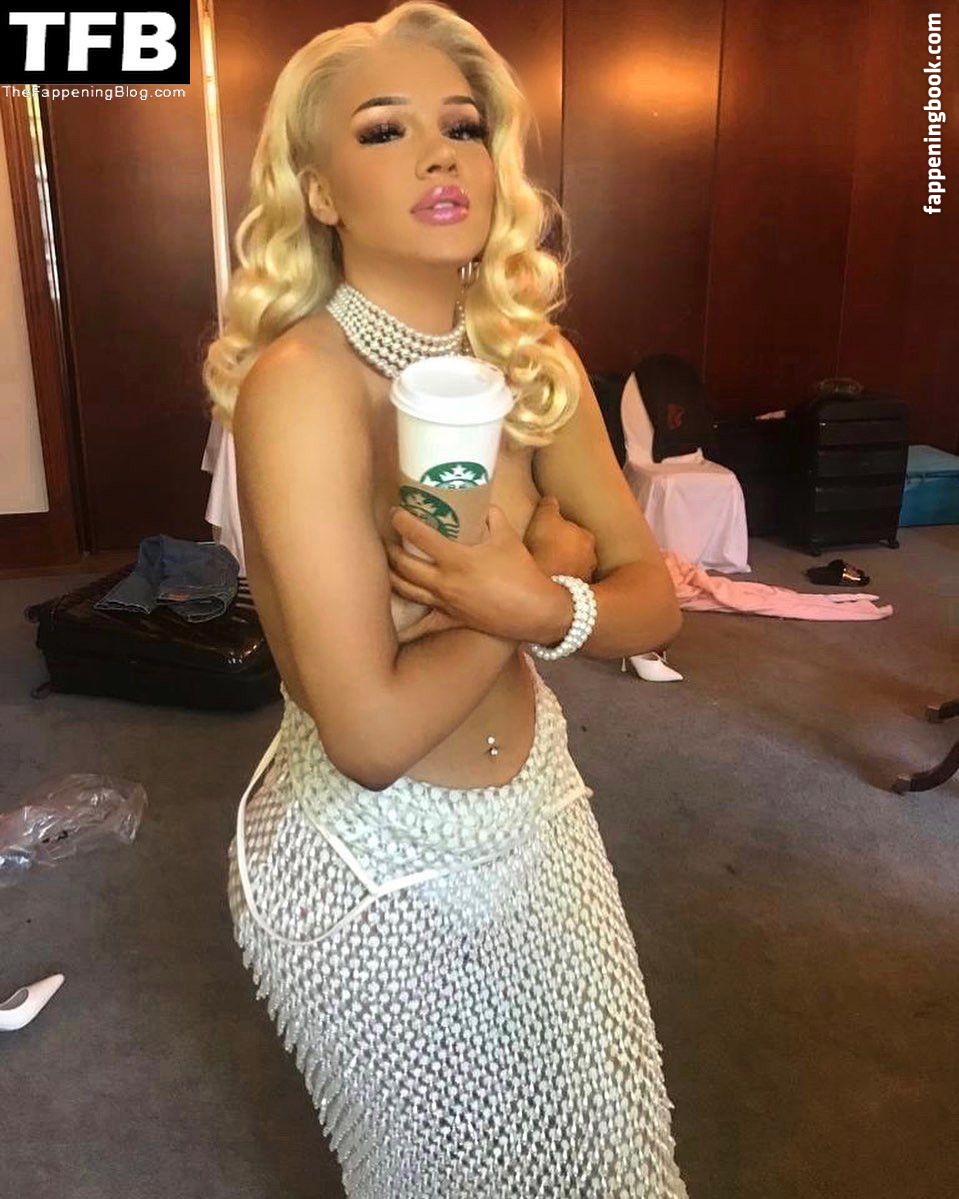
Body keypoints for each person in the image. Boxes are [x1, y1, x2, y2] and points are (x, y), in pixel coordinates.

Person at [202, 2, 689, 1194]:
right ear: (320, 192)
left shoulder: (533, 360)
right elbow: (369, 735)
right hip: (372, 869)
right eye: (384, 131)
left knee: (612, 1157)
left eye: (462, 127)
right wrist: (530, 588)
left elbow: (654, 601)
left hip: (542, 816)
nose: (438, 156)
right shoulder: (303, 385)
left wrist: (541, 600)